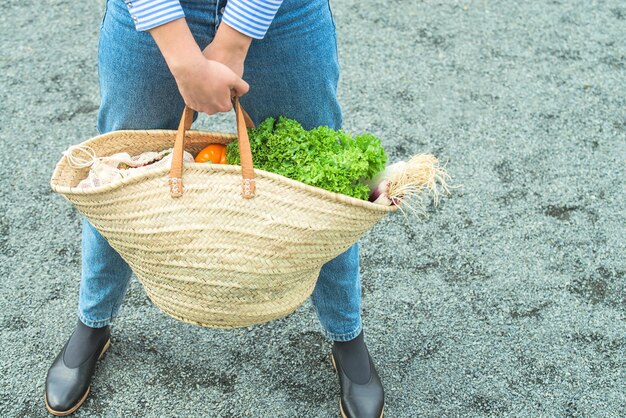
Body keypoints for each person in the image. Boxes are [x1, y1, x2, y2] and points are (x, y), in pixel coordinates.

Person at [44, 0, 385, 417]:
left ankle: (347, 334)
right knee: (116, 180)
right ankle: (92, 323)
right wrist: (184, 58)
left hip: (284, 14)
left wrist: (233, 40)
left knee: (327, 187)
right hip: (150, 15)